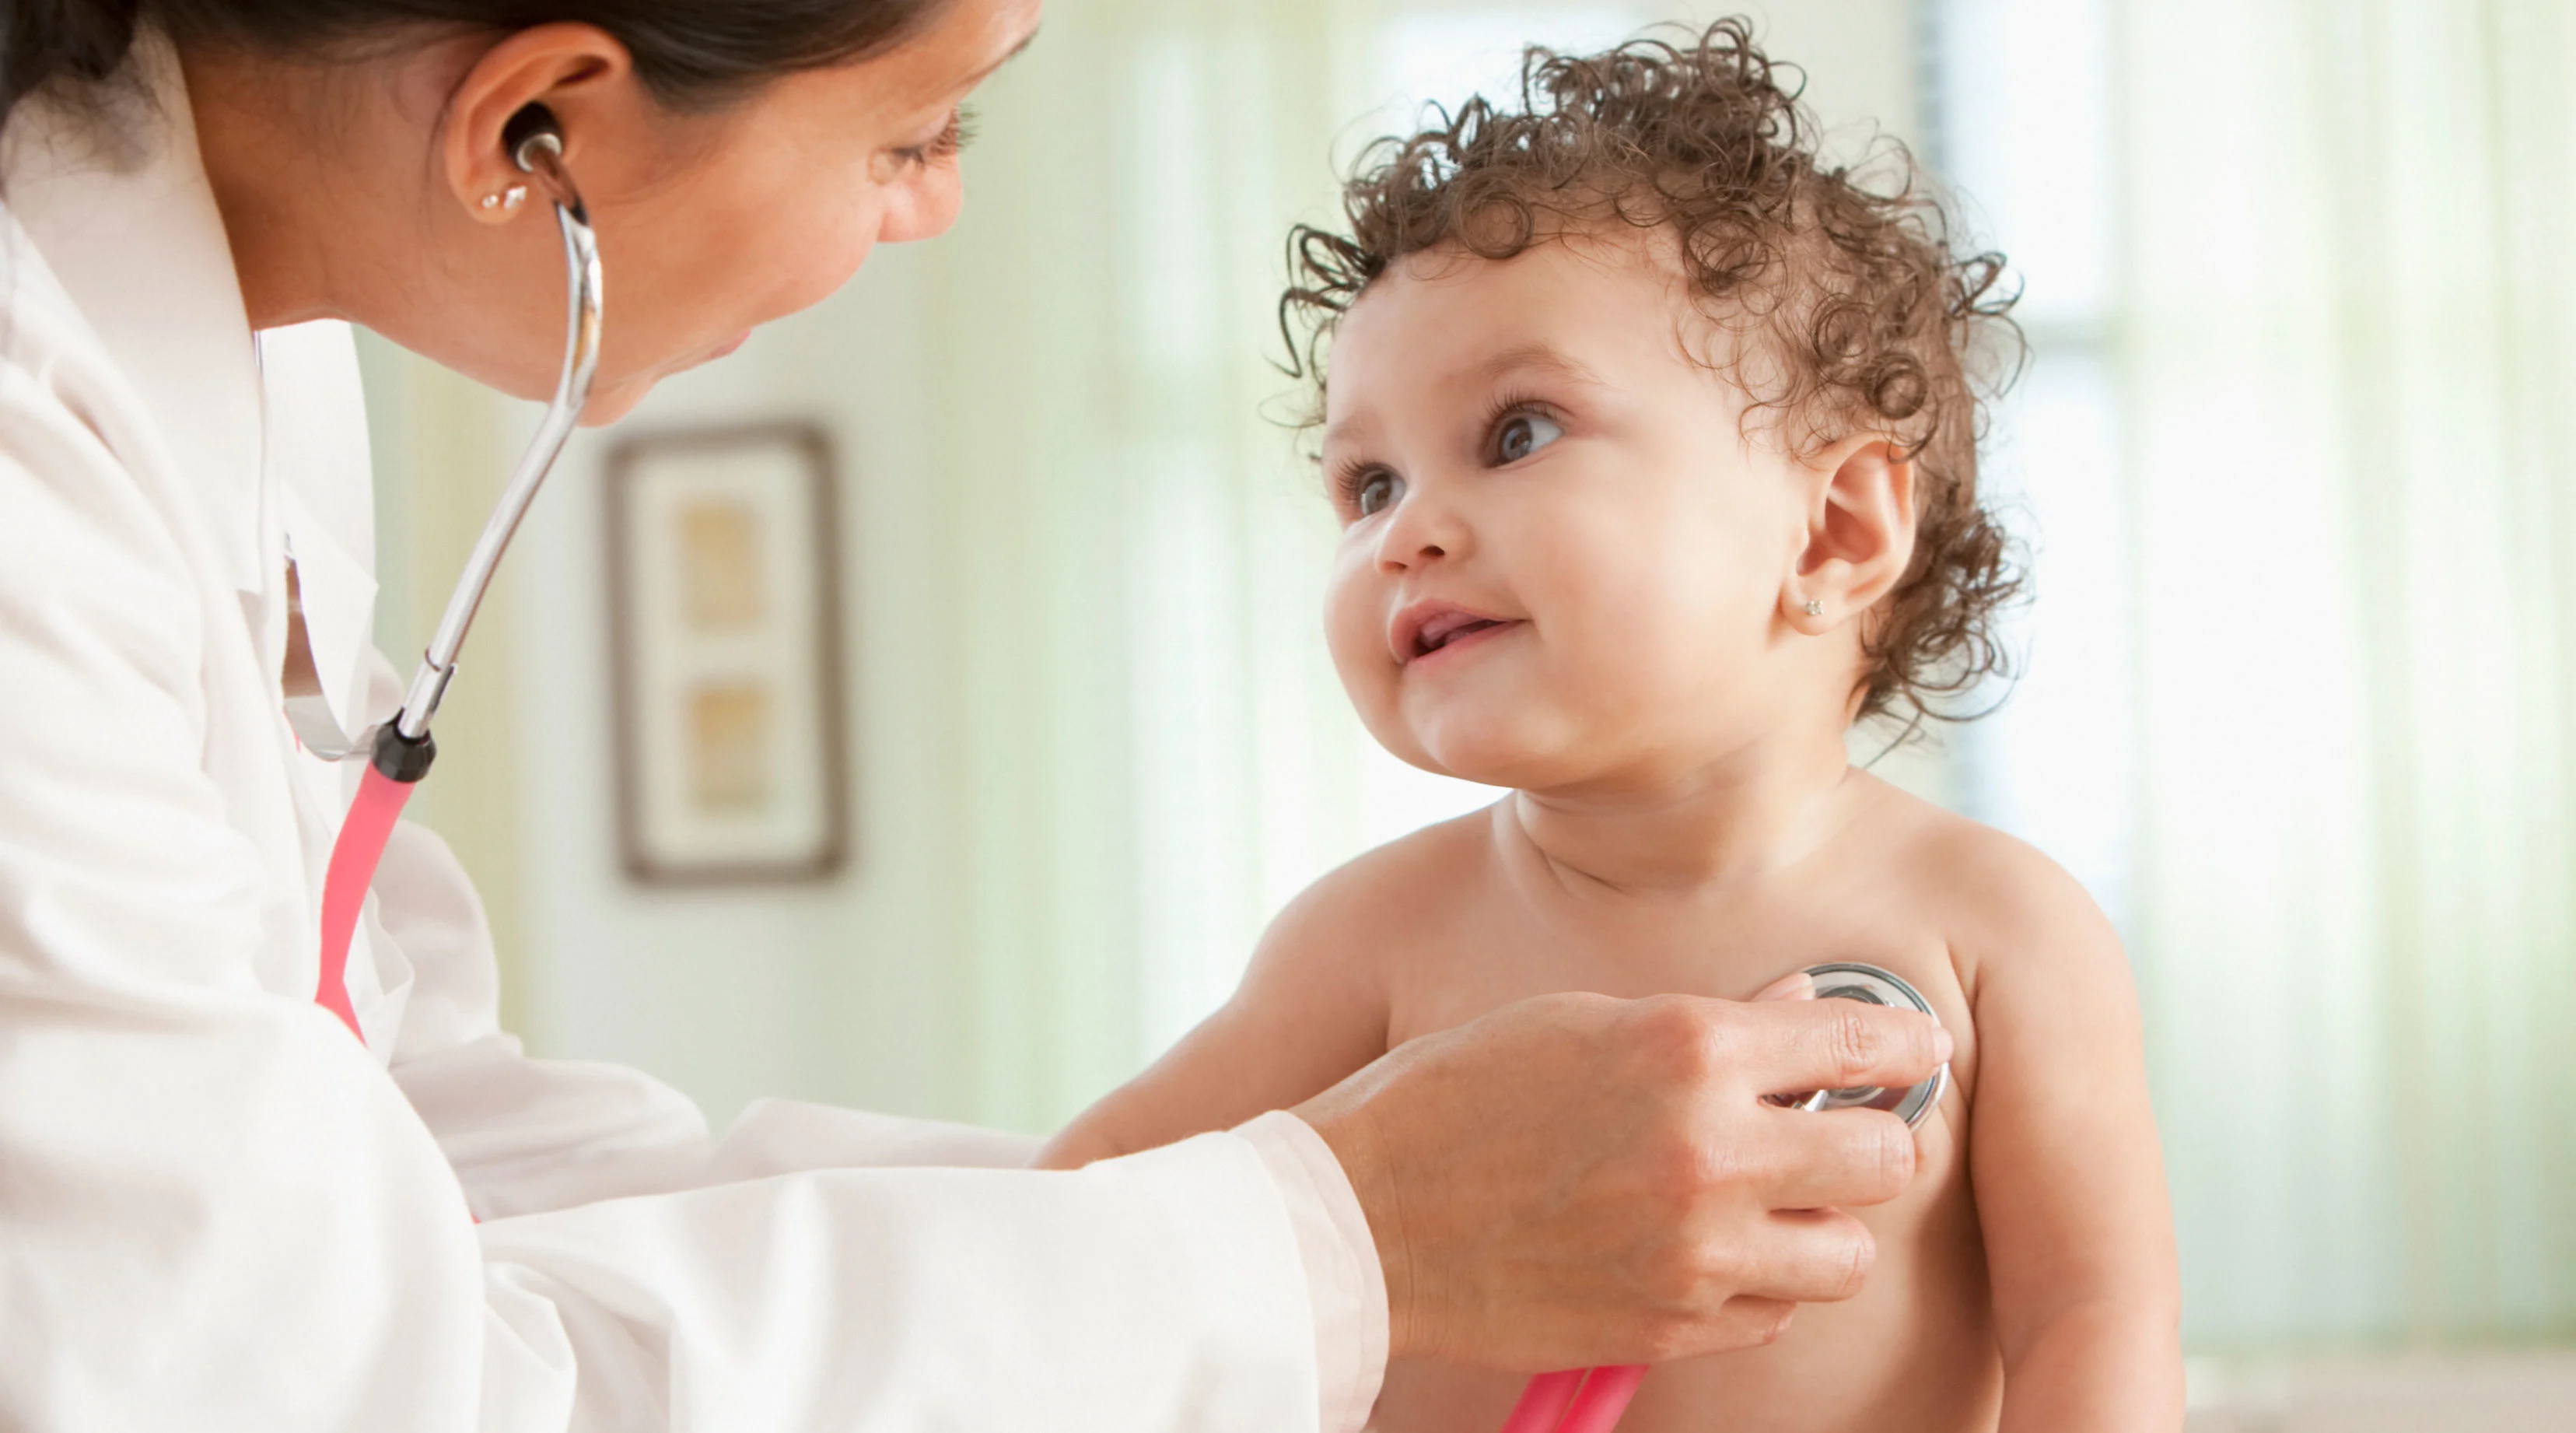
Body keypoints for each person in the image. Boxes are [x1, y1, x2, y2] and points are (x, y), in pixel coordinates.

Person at [0, 2, 1955, 1428]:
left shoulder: (241, 366)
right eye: (910, 136)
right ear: (540, 129)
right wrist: (1335, 1242)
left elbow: (400, 1139)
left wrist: (1280, 1237)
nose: (931, 210)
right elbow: (280, 1375)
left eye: (1520, 432)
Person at [1039, 22, 2185, 1433]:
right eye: (1367, 482)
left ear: (1832, 527)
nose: (1407, 534)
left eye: (1516, 432)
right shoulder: (1373, 940)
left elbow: (2094, 1318)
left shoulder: (1995, 928)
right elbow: (1088, 1216)